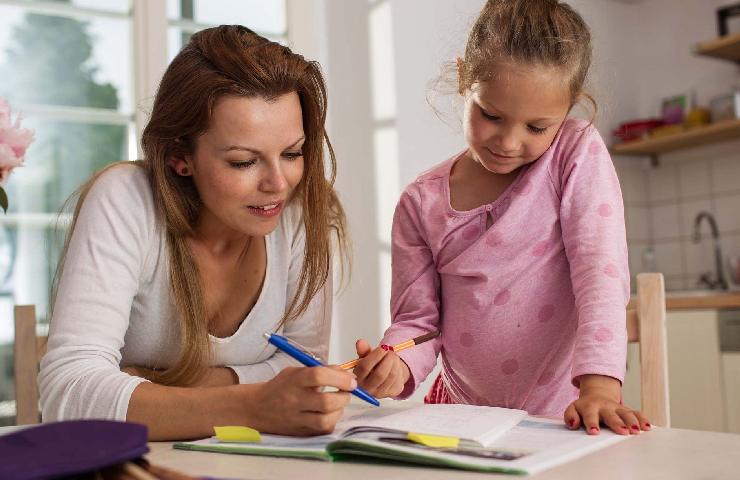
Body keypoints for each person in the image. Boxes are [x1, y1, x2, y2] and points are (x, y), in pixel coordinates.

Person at [39, 25, 354, 441]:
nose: (278, 183)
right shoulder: (126, 200)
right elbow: (69, 395)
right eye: (244, 161)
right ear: (179, 156)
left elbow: (302, 371)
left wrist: (153, 386)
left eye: (292, 153)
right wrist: (252, 404)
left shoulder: (301, 213)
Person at [352, 0, 651, 436]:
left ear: (568, 110)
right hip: (460, 418)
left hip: (568, 414)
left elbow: (599, 275)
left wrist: (601, 390)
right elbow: (418, 323)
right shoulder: (421, 202)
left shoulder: (574, 152)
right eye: (491, 115)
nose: (509, 142)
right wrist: (395, 364)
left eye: (537, 127)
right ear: (462, 80)